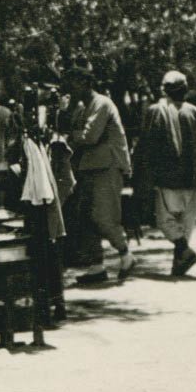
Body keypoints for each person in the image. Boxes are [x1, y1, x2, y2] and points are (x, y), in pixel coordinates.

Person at [136, 71, 196, 276]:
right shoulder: (194, 112)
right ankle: (180, 260)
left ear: (164, 90)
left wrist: (142, 176)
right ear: (185, 90)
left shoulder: (156, 110)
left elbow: (145, 146)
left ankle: (182, 250)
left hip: (168, 177)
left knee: (165, 221)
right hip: (193, 178)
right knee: (185, 223)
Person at [64, 64, 135, 283]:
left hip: (107, 166)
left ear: (86, 83)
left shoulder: (101, 104)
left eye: (73, 84)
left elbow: (89, 136)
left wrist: (70, 135)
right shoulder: (82, 107)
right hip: (89, 167)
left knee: (103, 217)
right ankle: (97, 265)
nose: (70, 89)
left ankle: (125, 254)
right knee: (85, 217)